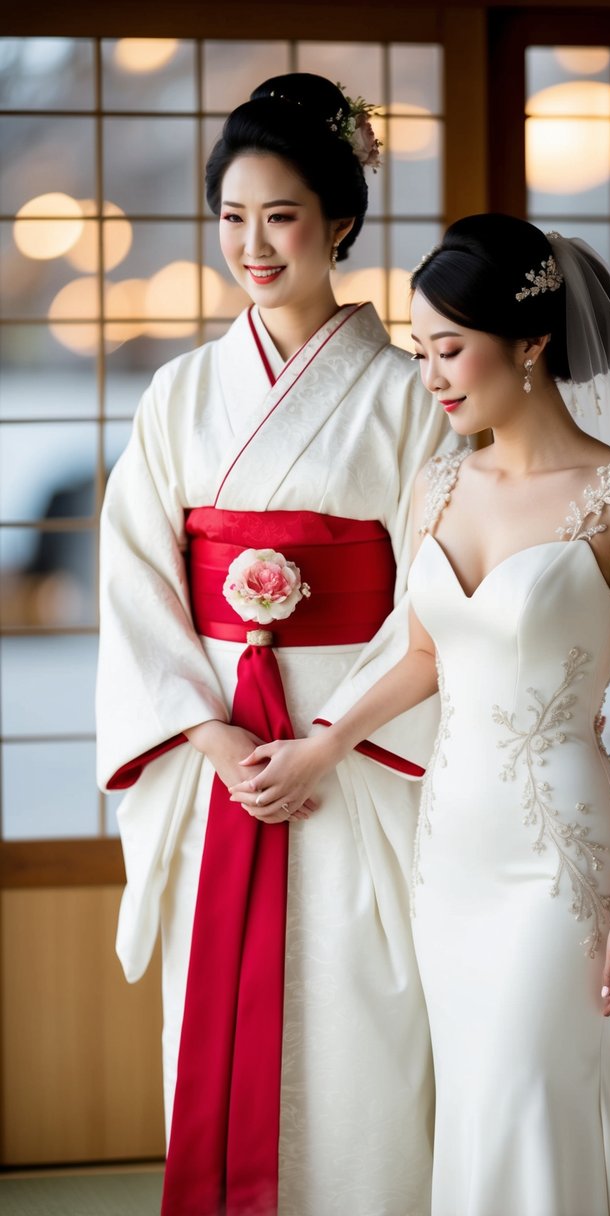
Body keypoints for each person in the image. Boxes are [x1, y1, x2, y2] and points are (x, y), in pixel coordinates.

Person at [234, 214, 610, 1216]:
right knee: (482, 1096)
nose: (431, 377)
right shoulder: (437, 483)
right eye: (420, 352)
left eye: (450, 349)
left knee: (524, 1090)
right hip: (449, 850)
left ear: (532, 342)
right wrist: (327, 741)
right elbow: (426, 654)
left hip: (562, 854)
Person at [96, 74, 452, 1216]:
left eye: (282, 215)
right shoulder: (178, 392)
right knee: (215, 1003)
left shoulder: (407, 397)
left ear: (341, 220)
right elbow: (136, 576)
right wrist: (207, 732)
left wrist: (324, 741)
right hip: (221, 755)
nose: (252, 243)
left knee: (362, 1013)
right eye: (232, 217)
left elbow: (438, 592)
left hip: (347, 747)